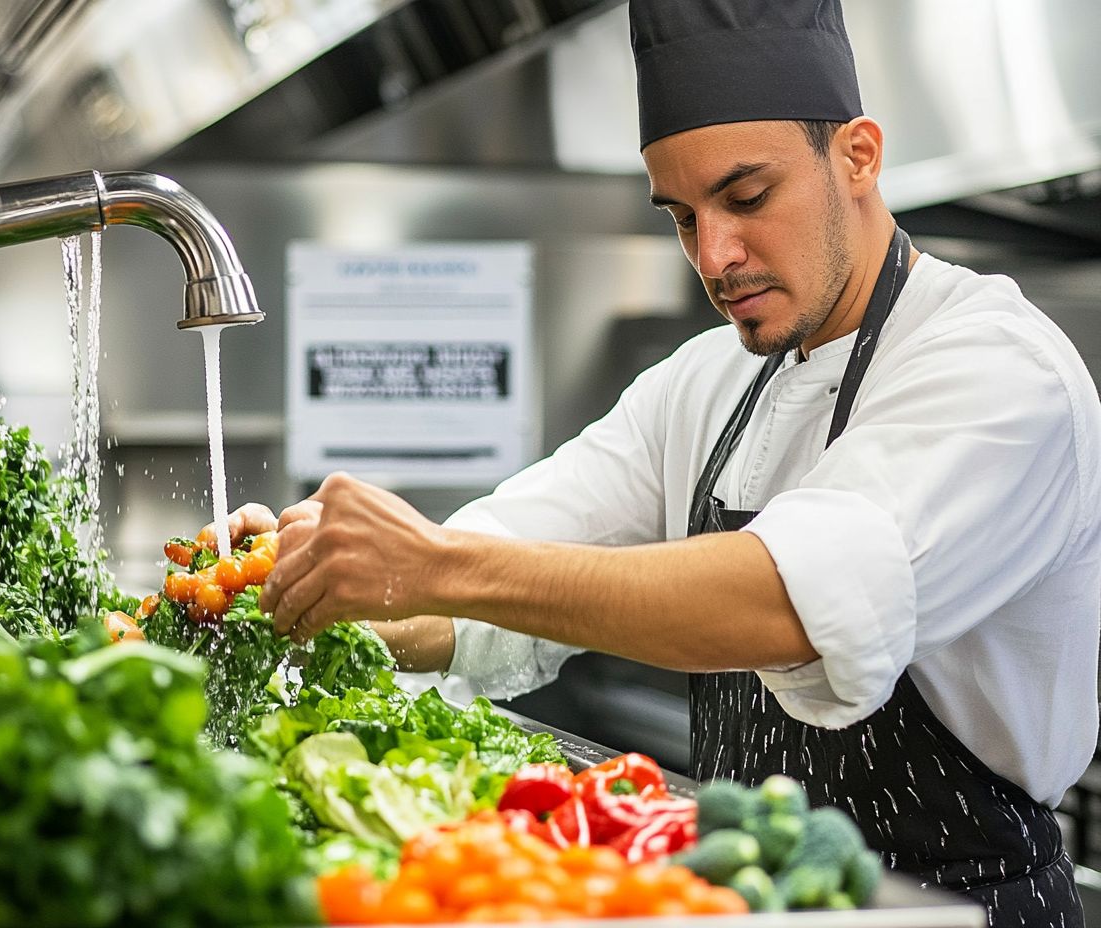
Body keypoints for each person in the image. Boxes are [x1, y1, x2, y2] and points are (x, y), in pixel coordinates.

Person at [219, 1, 1101, 922]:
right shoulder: (706, 381)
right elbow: (496, 585)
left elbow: (785, 601)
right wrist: (310, 588)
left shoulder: (998, 367)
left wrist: (433, 565)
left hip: (955, 909)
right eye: (682, 217)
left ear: (858, 157)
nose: (714, 257)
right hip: (741, 903)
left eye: (747, 197)